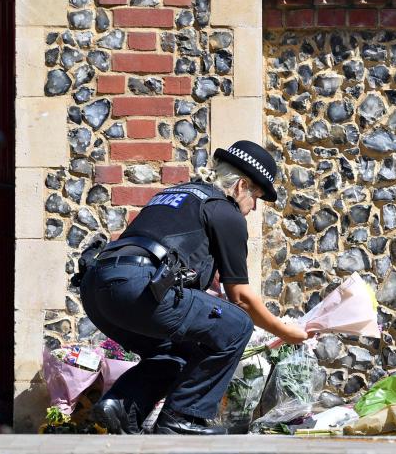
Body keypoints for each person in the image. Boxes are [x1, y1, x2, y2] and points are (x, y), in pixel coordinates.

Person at [80, 140, 308, 435]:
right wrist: (286, 332)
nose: (252, 209)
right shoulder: (225, 211)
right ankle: (182, 418)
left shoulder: (178, 194)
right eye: (257, 198)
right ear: (241, 186)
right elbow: (241, 299)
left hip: (97, 289)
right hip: (137, 288)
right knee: (238, 326)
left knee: (177, 351)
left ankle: (123, 406)